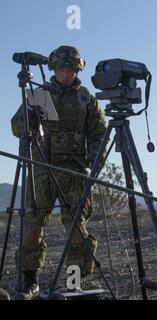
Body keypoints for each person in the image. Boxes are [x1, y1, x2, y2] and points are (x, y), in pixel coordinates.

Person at [11, 46, 106, 300]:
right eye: (62, 70)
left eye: (71, 70)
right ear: (54, 69)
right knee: (32, 225)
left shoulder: (86, 97)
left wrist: (93, 164)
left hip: (75, 172)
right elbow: (16, 126)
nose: (66, 75)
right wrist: (28, 111)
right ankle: (30, 282)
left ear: (78, 71)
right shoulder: (40, 93)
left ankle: (74, 284)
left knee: (76, 228)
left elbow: (99, 132)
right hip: (43, 168)